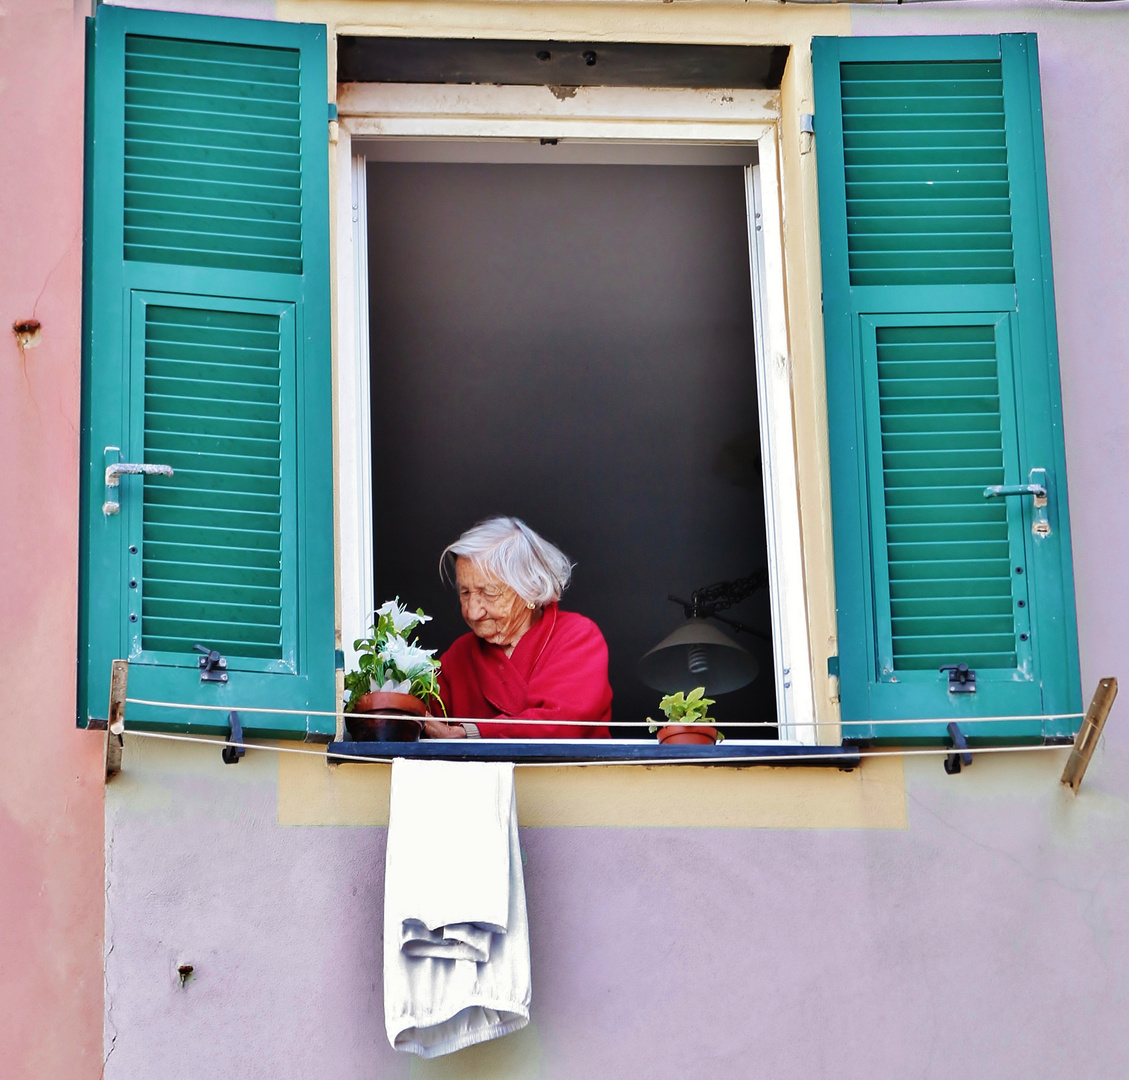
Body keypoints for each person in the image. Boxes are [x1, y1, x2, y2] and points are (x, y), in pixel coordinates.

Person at [424, 517, 612, 739]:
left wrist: (473, 734)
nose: (473, 612)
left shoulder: (577, 636)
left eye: (489, 593)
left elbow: (560, 724)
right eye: (465, 593)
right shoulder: (459, 655)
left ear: (530, 589)